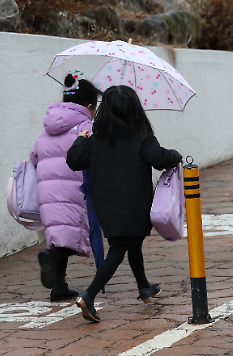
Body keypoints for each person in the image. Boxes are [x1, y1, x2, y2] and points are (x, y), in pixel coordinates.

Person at [66, 85, 182, 322]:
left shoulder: (96, 139)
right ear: (135, 110)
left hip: (106, 205)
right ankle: (89, 295)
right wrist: (176, 155)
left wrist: (80, 139)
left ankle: (144, 288)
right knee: (120, 248)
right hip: (134, 203)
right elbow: (160, 159)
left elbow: (74, 160)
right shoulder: (141, 137)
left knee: (132, 242)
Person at [30, 73, 101, 301]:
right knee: (71, 236)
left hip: (47, 191)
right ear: (90, 106)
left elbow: (33, 157)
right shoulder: (87, 127)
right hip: (74, 189)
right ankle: (49, 256)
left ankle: (58, 286)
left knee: (60, 233)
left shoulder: (47, 127)